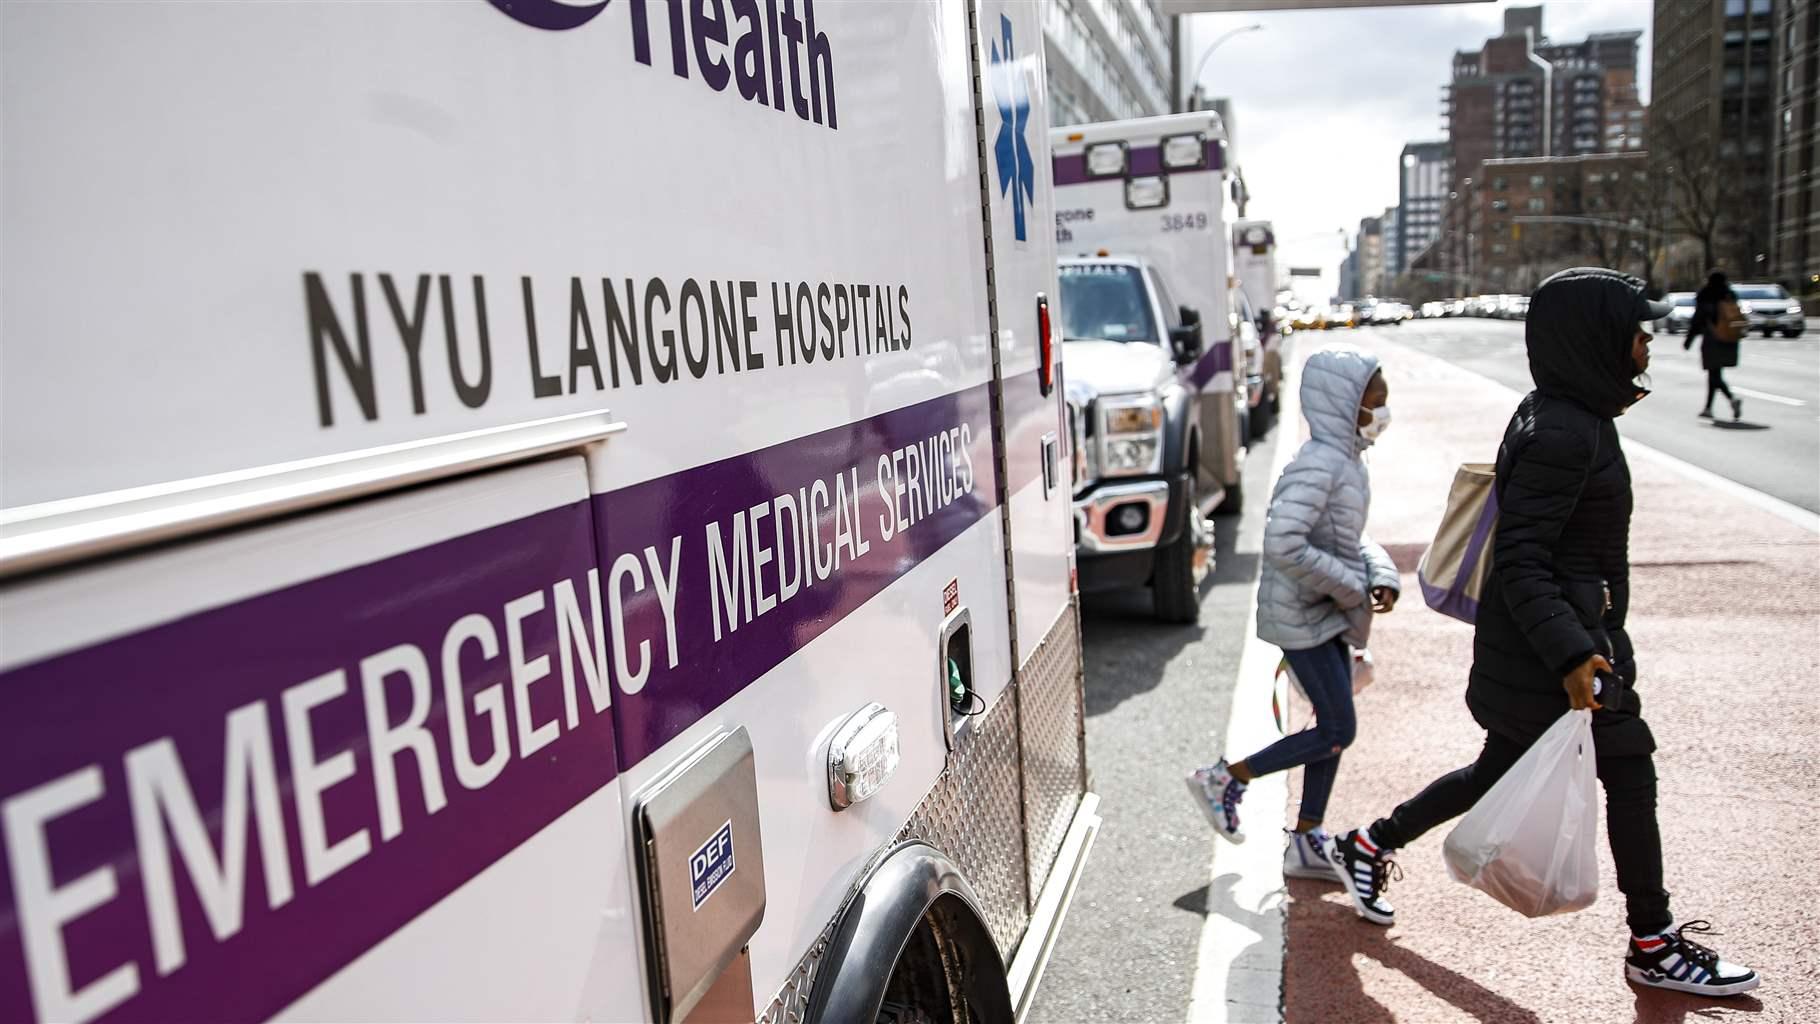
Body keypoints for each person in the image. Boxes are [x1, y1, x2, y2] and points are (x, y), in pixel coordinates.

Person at [1326, 268, 1759, 998]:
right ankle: (1651, 943)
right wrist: (1575, 651)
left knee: (1499, 771)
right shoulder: (1564, 430)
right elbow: (1523, 562)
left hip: (1542, 645)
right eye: (1637, 329)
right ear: (1593, 337)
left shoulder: (1562, 412)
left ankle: (1367, 842)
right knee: (1630, 769)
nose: (1648, 341)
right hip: (1552, 653)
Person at [1186, 348, 1400, 882]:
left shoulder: (1347, 459)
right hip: (1301, 615)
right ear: (1346, 404)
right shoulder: (1320, 464)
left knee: (1330, 725)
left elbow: (1346, 541)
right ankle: (1227, 777)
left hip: (1324, 611)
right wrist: (1353, 584)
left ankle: (1306, 839)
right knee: (1337, 730)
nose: (1382, 411)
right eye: (1375, 401)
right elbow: (1284, 543)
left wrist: (1380, 573)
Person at [1686, 271, 1742, 420]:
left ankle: (1731, 398)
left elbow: (1699, 317)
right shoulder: (1729, 294)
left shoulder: (1706, 294)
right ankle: (1708, 408)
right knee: (1715, 374)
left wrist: (1689, 339)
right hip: (1729, 337)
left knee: (1714, 374)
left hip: (1712, 338)